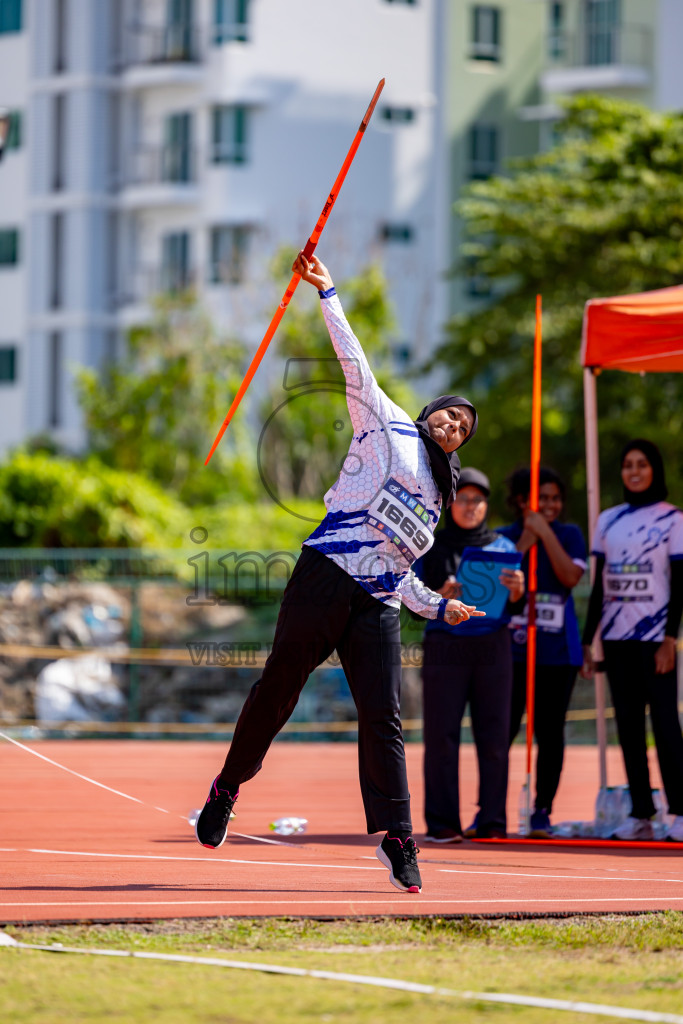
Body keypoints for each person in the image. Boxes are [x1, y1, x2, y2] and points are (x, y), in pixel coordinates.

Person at [194, 252, 485, 893]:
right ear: (430, 411)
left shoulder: (438, 501)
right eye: (449, 412)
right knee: (278, 690)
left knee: (384, 714)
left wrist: (438, 605)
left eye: (463, 425)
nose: (453, 423)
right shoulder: (387, 424)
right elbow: (355, 364)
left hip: (376, 602)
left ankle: (399, 839)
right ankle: (226, 788)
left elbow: (401, 571)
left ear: (461, 443)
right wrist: (328, 295)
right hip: (324, 574)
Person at [581, 439, 683, 842]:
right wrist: (589, 642)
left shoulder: (674, 520)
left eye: (642, 464)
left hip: (655, 640)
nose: (634, 471)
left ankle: (679, 812)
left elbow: (680, 586)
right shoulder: (607, 520)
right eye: (627, 465)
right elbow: (599, 587)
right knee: (627, 728)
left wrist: (670, 639)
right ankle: (641, 812)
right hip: (617, 639)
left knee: (666, 726)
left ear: (654, 469)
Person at [415, 467, 525, 842]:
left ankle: (492, 821)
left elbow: (516, 603)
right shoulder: (429, 544)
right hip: (446, 645)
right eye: (463, 499)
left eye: (478, 499)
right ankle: (442, 821)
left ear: (486, 505)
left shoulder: (504, 548)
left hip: (493, 645)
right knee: (442, 735)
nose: (470, 506)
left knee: (494, 736)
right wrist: (438, 596)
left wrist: (516, 591)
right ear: (450, 503)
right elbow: (411, 600)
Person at [499, 467, 586, 838]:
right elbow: (494, 583)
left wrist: (544, 533)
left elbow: (570, 577)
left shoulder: (569, 534)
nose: (549, 505)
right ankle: (491, 809)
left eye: (555, 498)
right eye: (541, 498)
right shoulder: (503, 537)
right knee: (502, 731)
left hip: (557, 653)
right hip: (512, 653)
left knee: (551, 733)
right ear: (522, 501)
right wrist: (524, 541)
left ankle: (542, 810)